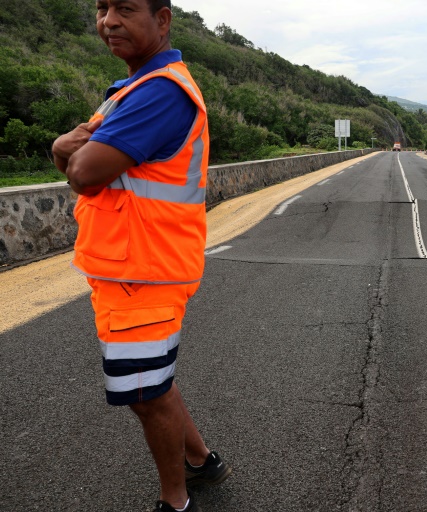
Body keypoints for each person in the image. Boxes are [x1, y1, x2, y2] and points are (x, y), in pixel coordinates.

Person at [51, 1, 231, 511]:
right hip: (128, 267)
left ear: (162, 19)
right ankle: (202, 462)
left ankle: (175, 500)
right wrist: (62, 147)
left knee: (146, 393)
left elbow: (83, 170)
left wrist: (67, 150)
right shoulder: (129, 92)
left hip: (145, 272)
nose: (109, 20)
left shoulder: (159, 93)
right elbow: (74, 157)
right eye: (102, 8)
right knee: (151, 383)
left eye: (125, 8)